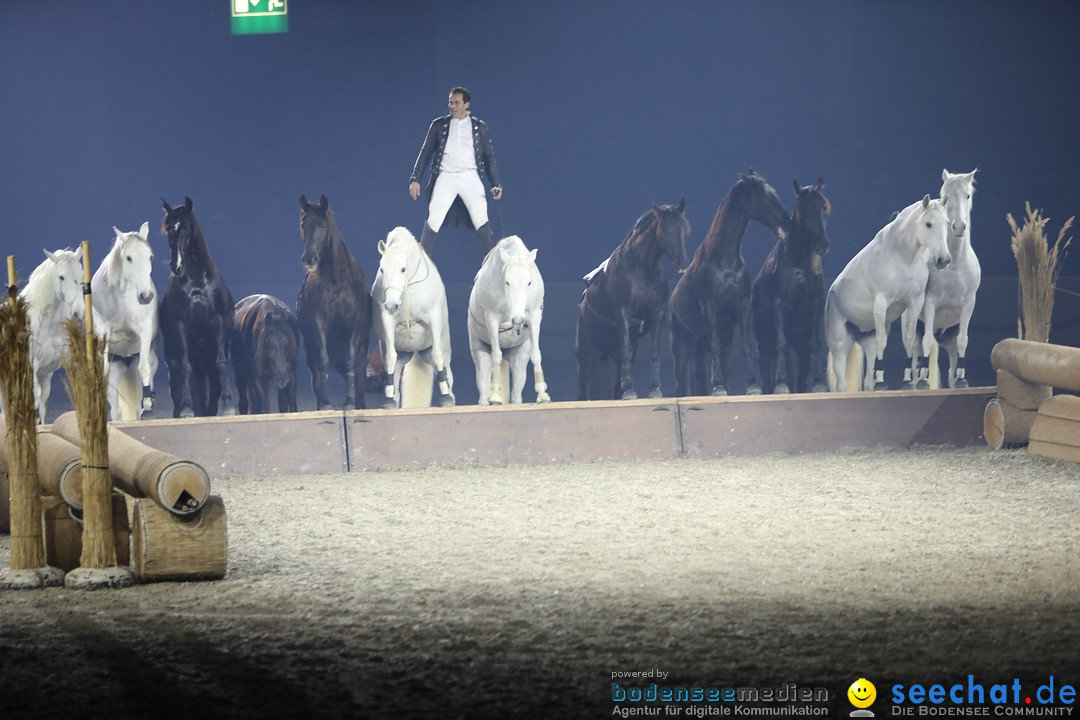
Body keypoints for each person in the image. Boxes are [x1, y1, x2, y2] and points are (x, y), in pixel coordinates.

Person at [409, 86, 502, 256]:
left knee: (481, 219)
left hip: (470, 176)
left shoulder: (479, 127)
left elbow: (489, 157)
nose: (452, 106)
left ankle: (490, 264)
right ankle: (422, 263)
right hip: (446, 177)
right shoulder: (439, 125)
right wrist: (416, 178)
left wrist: (495, 183)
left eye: (457, 102)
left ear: (466, 104)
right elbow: (426, 151)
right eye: (450, 102)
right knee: (433, 219)